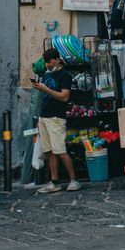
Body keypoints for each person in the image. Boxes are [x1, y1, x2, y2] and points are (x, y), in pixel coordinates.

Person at [32, 46, 80, 194]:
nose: (47, 65)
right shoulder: (46, 74)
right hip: (44, 116)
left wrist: (45, 89)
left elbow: (64, 97)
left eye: (50, 62)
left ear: (57, 60)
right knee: (49, 151)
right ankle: (54, 182)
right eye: (46, 63)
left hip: (56, 117)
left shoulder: (65, 76)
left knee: (60, 150)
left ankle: (73, 180)